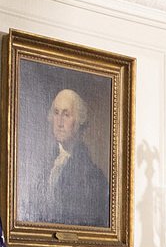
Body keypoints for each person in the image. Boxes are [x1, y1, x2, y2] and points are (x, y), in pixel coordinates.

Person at [24, 87, 111, 227]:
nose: (59, 122)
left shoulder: (93, 176)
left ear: (79, 121)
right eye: (56, 113)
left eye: (66, 115)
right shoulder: (43, 165)